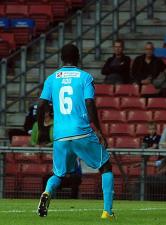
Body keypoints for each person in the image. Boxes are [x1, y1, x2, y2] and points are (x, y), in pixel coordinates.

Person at [36, 44, 114, 220]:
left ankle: (47, 192)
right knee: (105, 166)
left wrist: (41, 130)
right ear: (78, 57)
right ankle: (107, 212)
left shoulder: (52, 78)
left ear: (61, 58)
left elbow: (41, 104)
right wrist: (99, 131)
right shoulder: (85, 77)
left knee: (58, 174)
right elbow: (89, 103)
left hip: (60, 135)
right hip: (81, 132)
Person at [136, 134, 166, 200]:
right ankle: (144, 199)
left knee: (144, 179)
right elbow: (158, 163)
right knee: (143, 179)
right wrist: (143, 163)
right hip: (164, 178)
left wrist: (156, 175)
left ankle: (142, 200)